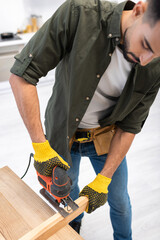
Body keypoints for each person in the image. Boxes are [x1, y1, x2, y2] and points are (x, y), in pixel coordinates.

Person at [9, 0, 160, 239]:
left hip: (106, 139)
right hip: (63, 132)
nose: (145, 61)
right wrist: (40, 145)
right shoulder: (80, 14)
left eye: (156, 54)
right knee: (68, 192)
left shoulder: (154, 64)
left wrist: (104, 179)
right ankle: (73, 230)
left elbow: (129, 126)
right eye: (145, 45)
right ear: (139, 10)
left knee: (119, 199)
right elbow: (21, 76)